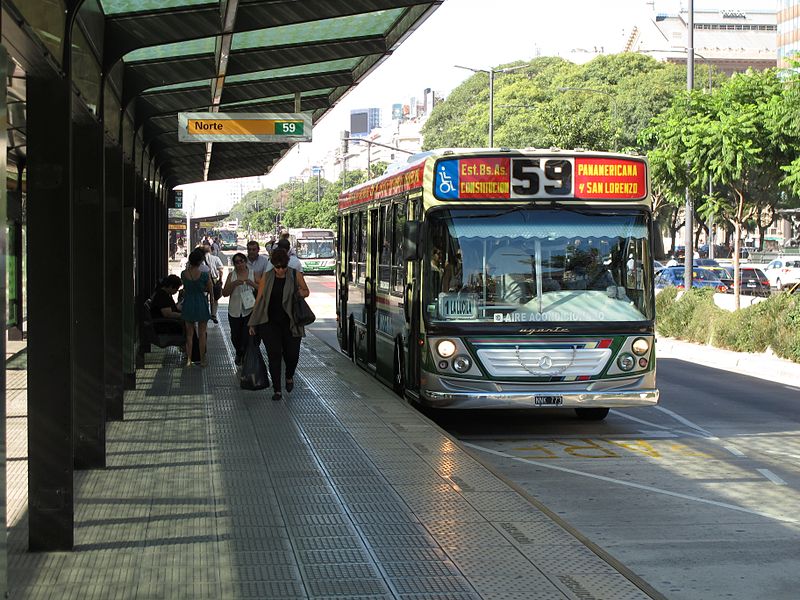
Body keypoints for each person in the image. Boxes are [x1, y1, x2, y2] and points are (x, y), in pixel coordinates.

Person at [248, 248, 310, 401]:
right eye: (277, 267)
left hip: (291, 323)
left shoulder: (295, 274)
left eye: (283, 267)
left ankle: (289, 376)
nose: (280, 270)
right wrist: (253, 323)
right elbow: (259, 300)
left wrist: (297, 293)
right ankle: (277, 389)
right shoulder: (267, 277)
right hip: (270, 324)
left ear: (287, 264)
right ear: (273, 265)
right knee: (274, 356)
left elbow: (306, 291)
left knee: (292, 355)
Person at [223, 252, 258, 365]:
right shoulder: (231, 275)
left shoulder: (253, 274)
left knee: (246, 335)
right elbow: (224, 293)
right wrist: (233, 285)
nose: (239, 264)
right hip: (234, 310)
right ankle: (239, 352)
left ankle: (243, 355)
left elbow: (263, 289)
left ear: (245, 261)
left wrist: (252, 284)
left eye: (241, 261)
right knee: (235, 335)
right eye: (236, 262)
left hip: (249, 310)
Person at [181, 248, 214, 367]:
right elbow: (211, 293)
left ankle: (189, 360)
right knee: (202, 333)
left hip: (188, 303)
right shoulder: (205, 275)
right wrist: (213, 309)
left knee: (189, 334)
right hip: (201, 302)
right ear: (200, 261)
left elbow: (185, 289)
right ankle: (203, 359)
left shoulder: (184, 274)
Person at [202, 243, 224, 323]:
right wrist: (220, 279)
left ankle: (205, 313)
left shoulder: (200, 260)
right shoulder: (216, 258)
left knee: (204, 297)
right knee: (215, 297)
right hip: (214, 279)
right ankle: (213, 314)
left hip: (203, 280)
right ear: (211, 250)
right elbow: (220, 270)